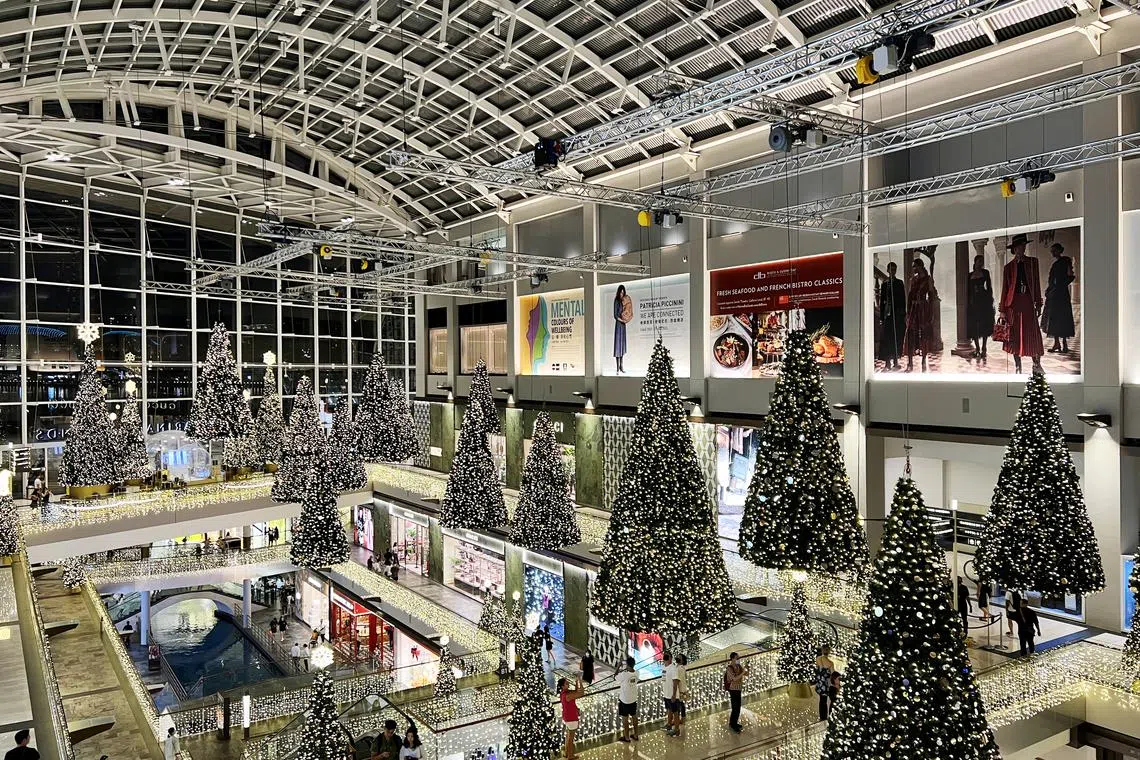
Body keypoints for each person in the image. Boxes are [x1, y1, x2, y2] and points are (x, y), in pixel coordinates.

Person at [999, 233, 1044, 374]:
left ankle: (1036, 364)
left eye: (1023, 245)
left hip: (1028, 303)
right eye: (1019, 246)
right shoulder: (1008, 267)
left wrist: (1038, 303)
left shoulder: (1032, 262)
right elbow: (1005, 289)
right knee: (1014, 336)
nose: (1022, 248)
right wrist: (1002, 310)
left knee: (1032, 334)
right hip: (1013, 305)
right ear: (1014, 248)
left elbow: (1036, 284)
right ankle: (1017, 366)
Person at [902, 257, 937, 372]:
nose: (913, 269)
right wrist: (908, 312)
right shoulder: (913, 280)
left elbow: (931, 296)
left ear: (920, 266)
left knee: (924, 335)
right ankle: (910, 363)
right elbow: (910, 296)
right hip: (913, 308)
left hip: (923, 308)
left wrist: (931, 312)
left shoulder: (928, 279)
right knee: (911, 334)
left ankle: (923, 361)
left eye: (915, 266)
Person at [1042, 242, 1075, 354]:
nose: (1052, 253)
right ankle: (1057, 343)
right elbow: (1052, 280)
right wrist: (1051, 289)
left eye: (1054, 251)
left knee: (1063, 317)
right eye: (1051, 251)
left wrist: (1060, 286)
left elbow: (1070, 276)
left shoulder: (1065, 261)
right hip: (1055, 294)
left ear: (1059, 250)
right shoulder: (1056, 264)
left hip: (1060, 294)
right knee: (1054, 318)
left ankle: (1064, 344)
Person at [878, 261, 907, 370]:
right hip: (887, 315)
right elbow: (882, 302)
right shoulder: (885, 284)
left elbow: (903, 300)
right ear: (888, 270)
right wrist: (881, 317)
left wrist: (903, 314)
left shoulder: (900, 283)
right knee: (887, 339)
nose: (892, 272)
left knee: (896, 337)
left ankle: (895, 361)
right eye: (891, 269)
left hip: (897, 315)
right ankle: (887, 363)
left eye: (894, 269)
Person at [966, 253, 995, 358]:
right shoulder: (970, 275)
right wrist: (969, 301)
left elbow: (989, 286)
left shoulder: (985, 272)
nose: (981, 263)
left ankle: (984, 348)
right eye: (979, 261)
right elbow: (968, 290)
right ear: (975, 262)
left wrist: (990, 298)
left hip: (983, 300)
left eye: (982, 261)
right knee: (974, 325)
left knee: (984, 324)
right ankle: (977, 348)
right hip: (973, 301)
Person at [558, 676, 586, 760]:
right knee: (571, 738)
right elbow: (581, 693)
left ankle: (567, 753)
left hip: (567, 717)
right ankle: (570, 756)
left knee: (568, 736)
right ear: (563, 686)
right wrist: (580, 682)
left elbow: (576, 691)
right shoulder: (568, 695)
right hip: (571, 718)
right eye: (566, 683)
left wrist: (576, 682)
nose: (568, 684)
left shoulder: (564, 693)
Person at [615, 656, 639, 742]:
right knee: (634, 717)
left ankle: (627, 737)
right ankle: (636, 735)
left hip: (624, 700)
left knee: (625, 719)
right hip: (633, 699)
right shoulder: (637, 673)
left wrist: (618, 666)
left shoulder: (624, 674)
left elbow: (615, 677)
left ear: (627, 665)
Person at [724, 651, 748, 733]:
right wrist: (743, 673)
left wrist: (746, 669)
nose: (738, 659)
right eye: (737, 658)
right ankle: (733, 724)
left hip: (739, 689)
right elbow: (734, 679)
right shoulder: (729, 668)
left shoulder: (739, 666)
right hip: (733, 690)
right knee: (735, 708)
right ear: (733, 658)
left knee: (738, 707)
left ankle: (734, 723)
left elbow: (746, 674)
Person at [613, 284, 633, 374]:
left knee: (622, 346)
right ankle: (617, 368)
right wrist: (621, 320)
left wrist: (626, 319)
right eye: (620, 292)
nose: (622, 294)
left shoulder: (624, 300)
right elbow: (615, 315)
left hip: (623, 325)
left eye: (623, 292)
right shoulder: (616, 301)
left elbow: (628, 311)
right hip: (618, 325)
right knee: (618, 346)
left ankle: (621, 366)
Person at [814, 645, 835, 721]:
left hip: (820, 682)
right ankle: (827, 716)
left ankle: (822, 717)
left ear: (822, 650)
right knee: (828, 700)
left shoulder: (818, 659)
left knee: (821, 700)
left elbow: (819, 669)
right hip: (826, 684)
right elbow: (833, 674)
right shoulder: (830, 663)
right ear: (829, 652)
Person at [662, 651, 679, 736]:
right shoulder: (664, 667)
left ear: (670, 658)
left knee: (675, 712)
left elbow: (675, 681)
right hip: (666, 693)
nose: (665, 658)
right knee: (669, 709)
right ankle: (669, 725)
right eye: (664, 656)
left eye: (667, 657)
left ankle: (676, 729)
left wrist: (674, 694)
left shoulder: (673, 668)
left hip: (672, 694)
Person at [672, 653, 689, 736]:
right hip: (681, 689)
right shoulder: (679, 668)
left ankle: (681, 720)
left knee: (680, 705)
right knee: (681, 705)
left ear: (682, 660)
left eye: (679, 658)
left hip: (680, 690)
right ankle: (681, 719)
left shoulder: (680, 668)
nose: (677, 658)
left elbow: (678, 680)